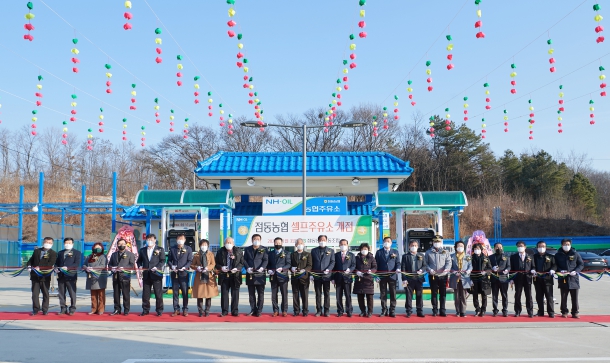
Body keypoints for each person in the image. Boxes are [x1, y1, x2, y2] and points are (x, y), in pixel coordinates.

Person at [136, 234, 165, 317]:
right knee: (145, 294)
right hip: (146, 275)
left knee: (158, 294)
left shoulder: (160, 249)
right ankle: (145, 310)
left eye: (151, 239)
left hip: (156, 274)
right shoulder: (142, 250)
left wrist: (157, 267)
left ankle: (159, 310)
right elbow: (139, 261)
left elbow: (163, 261)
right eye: (148, 239)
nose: (149, 241)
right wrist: (140, 266)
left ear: (155, 240)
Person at [27, 237, 57, 316]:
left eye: (50, 242)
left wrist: (39, 267)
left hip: (45, 276)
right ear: (43, 242)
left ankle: (45, 309)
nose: (48, 243)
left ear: (52, 244)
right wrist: (29, 266)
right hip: (35, 276)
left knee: (45, 294)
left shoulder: (53, 253)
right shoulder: (37, 251)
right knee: (35, 294)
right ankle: (35, 309)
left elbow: (50, 264)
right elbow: (31, 260)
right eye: (46, 242)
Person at [554, 239, 584, 319]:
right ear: (561, 245)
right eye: (565, 244)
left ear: (570, 245)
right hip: (563, 278)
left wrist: (576, 271)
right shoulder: (557, 255)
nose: (566, 246)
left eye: (568, 244)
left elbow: (581, 264)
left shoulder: (575, 254)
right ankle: (564, 312)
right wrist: (560, 270)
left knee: (574, 298)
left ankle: (575, 312)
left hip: (573, 278)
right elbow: (555, 265)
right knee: (563, 297)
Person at [215, 237, 243, 317]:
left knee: (235, 294)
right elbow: (216, 263)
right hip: (224, 275)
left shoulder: (238, 251)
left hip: (235, 275)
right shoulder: (220, 251)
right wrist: (221, 267)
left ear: (233, 244)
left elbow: (242, 262)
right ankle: (224, 311)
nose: (229, 244)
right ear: (224, 244)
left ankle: (235, 311)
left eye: (230, 242)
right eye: (227, 242)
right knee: (224, 294)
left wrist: (237, 268)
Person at [424, 235, 451, 317]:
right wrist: (429, 269)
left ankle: (442, 310)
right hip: (433, 275)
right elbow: (425, 263)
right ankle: (435, 310)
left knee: (443, 294)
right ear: (433, 242)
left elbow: (448, 262)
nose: (437, 243)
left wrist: (447, 269)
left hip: (443, 275)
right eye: (435, 241)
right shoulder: (428, 252)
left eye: (438, 241)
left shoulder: (445, 252)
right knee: (434, 293)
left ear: (441, 242)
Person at [190, 239, 218, 317]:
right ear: (200, 246)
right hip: (199, 276)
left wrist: (208, 268)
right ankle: (200, 311)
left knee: (208, 294)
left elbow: (213, 264)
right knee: (200, 294)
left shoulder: (211, 254)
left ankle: (207, 310)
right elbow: (192, 265)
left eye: (205, 245)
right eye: (202, 245)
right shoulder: (196, 255)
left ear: (208, 246)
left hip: (208, 275)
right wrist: (197, 267)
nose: (204, 246)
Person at [108, 238, 136, 316]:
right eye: (119, 244)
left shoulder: (130, 254)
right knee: (116, 294)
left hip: (125, 276)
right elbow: (109, 264)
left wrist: (124, 268)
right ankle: (117, 309)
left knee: (125, 294)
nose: (121, 245)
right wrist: (112, 268)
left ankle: (126, 310)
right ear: (117, 245)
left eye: (123, 244)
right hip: (116, 276)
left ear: (126, 245)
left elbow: (132, 265)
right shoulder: (114, 254)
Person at [168, 234, 193, 317]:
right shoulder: (172, 249)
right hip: (174, 273)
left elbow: (190, 261)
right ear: (176, 240)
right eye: (179, 239)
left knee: (185, 292)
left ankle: (185, 309)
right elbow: (169, 260)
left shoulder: (188, 249)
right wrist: (172, 266)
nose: (180, 240)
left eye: (182, 239)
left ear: (185, 240)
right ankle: (176, 309)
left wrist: (185, 267)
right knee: (175, 292)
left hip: (183, 273)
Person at [55, 237, 82, 315]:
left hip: (71, 275)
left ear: (72, 244)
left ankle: (72, 308)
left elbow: (76, 263)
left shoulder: (77, 252)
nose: (67, 244)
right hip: (61, 276)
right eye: (66, 243)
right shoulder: (60, 253)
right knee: (61, 293)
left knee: (72, 293)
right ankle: (63, 308)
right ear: (64, 244)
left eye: (69, 243)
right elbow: (57, 262)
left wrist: (68, 268)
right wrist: (56, 267)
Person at [243, 234, 268, 317]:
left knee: (261, 294)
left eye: (258, 239)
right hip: (250, 274)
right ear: (252, 240)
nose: (256, 240)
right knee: (251, 294)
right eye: (254, 239)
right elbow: (244, 260)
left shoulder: (264, 249)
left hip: (260, 274)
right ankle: (253, 309)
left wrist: (262, 268)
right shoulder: (247, 249)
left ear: (260, 240)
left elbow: (265, 260)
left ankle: (259, 310)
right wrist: (247, 268)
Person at [400, 239, 427, 318]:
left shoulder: (421, 255)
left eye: (415, 246)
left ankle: (420, 311)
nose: (414, 247)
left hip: (419, 279)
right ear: (409, 246)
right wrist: (404, 280)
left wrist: (421, 270)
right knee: (408, 295)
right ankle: (409, 311)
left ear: (418, 247)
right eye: (412, 246)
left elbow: (425, 265)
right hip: (408, 279)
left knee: (419, 295)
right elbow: (403, 268)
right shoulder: (405, 256)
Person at [311, 235, 335, 317]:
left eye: (324, 240)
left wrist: (328, 269)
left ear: (326, 241)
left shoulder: (330, 250)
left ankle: (326, 310)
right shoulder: (313, 251)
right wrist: (311, 274)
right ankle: (318, 310)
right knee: (318, 293)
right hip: (317, 275)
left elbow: (332, 262)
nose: (322, 241)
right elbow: (311, 263)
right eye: (321, 240)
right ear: (318, 241)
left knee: (326, 293)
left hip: (326, 275)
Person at [375, 236, 400, 317]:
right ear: (383, 243)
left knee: (393, 293)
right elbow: (376, 265)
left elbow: (398, 263)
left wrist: (398, 269)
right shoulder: (379, 252)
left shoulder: (395, 252)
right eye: (385, 241)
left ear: (391, 243)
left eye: (388, 241)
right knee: (383, 293)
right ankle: (384, 310)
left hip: (392, 276)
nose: (387, 242)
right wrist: (376, 275)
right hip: (382, 276)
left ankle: (392, 310)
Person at [509, 241, 535, 318]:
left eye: (521, 246)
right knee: (517, 295)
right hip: (518, 278)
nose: (520, 247)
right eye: (518, 246)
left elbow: (533, 266)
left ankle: (530, 311)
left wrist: (533, 270)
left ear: (525, 247)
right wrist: (511, 278)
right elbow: (512, 269)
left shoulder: (530, 256)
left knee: (529, 296)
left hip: (527, 278)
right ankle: (517, 311)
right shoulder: (513, 257)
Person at [267, 237, 291, 317]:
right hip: (273, 276)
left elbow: (288, 264)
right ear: (274, 243)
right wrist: (269, 270)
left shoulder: (287, 253)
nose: (278, 244)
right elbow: (268, 264)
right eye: (276, 243)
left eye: (279, 243)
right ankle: (275, 310)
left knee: (284, 294)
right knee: (274, 295)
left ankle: (284, 310)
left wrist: (283, 269)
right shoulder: (270, 253)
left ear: (282, 243)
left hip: (283, 276)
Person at [532, 240, 557, 318]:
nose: (541, 248)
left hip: (547, 279)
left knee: (549, 296)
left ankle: (551, 312)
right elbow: (532, 265)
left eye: (543, 246)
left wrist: (553, 269)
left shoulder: (551, 256)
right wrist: (533, 269)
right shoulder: (534, 257)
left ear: (546, 247)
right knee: (539, 296)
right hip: (537, 278)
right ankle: (540, 311)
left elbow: (555, 265)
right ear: (537, 248)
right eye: (540, 246)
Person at [333, 239, 356, 317]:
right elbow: (333, 267)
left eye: (345, 244)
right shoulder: (336, 255)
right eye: (342, 244)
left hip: (347, 278)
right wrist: (333, 278)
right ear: (339, 245)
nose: (343, 246)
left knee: (348, 295)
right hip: (338, 278)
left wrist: (350, 270)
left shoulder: (351, 255)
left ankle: (349, 310)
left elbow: (354, 265)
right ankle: (340, 311)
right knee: (338, 296)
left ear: (347, 245)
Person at [83, 242, 108, 315]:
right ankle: (94, 309)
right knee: (93, 295)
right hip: (91, 277)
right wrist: (86, 268)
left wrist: (93, 268)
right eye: (96, 247)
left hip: (100, 277)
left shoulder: (103, 256)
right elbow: (84, 264)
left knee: (101, 294)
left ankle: (101, 309)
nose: (97, 249)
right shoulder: (89, 256)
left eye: (99, 248)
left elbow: (103, 265)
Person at [353, 243, 377, 317]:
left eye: (366, 249)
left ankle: (370, 312)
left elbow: (375, 267)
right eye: (363, 249)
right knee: (360, 297)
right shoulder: (356, 258)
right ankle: (362, 311)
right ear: (360, 250)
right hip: (359, 280)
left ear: (368, 250)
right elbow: (353, 267)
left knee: (369, 297)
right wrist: (356, 271)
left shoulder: (371, 258)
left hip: (368, 280)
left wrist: (371, 271)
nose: (364, 250)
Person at [449, 240, 472, 318]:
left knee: (463, 296)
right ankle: (458, 311)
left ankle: (463, 311)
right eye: (458, 246)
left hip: (464, 278)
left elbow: (470, 266)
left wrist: (469, 270)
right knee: (457, 296)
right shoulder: (451, 256)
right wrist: (454, 272)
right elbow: (449, 267)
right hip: (455, 278)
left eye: (462, 246)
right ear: (455, 248)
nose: (460, 248)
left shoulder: (468, 256)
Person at [470, 242, 492, 317]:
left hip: (483, 279)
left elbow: (490, 268)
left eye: (478, 249)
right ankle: (477, 309)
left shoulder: (486, 258)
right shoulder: (470, 258)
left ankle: (483, 310)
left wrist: (486, 272)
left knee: (484, 295)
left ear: (481, 249)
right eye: (475, 249)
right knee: (475, 295)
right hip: (474, 278)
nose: (477, 250)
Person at [290, 238, 312, 317]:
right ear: (296, 245)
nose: (300, 245)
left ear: (304, 244)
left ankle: (305, 311)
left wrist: (305, 270)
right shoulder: (292, 254)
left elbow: (310, 265)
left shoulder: (308, 254)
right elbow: (290, 264)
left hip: (304, 277)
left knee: (304, 295)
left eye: (301, 243)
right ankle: (296, 310)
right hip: (295, 277)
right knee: (295, 295)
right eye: (298, 243)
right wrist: (291, 268)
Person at [488, 242, 511, 317]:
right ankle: (495, 310)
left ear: (502, 248)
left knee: (504, 295)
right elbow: (488, 266)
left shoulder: (506, 257)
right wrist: (492, 268)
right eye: (497, 247)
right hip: (494, 278)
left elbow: (509, 266)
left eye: (500, 247)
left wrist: (507, 270)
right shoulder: (490, 257)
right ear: (494, 248)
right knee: (494, 295)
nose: (499, 248)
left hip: (503, 278)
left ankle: (505, 310)